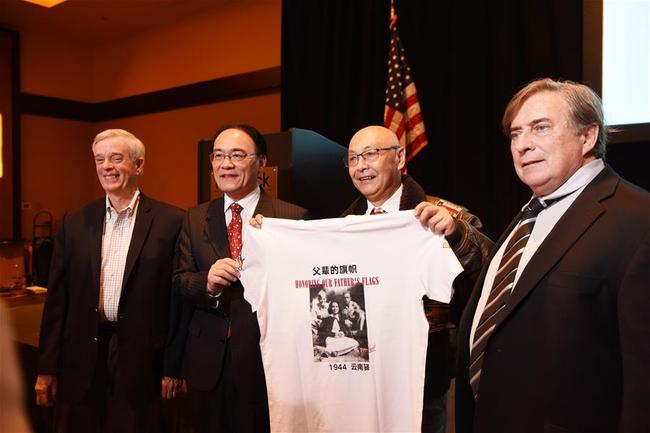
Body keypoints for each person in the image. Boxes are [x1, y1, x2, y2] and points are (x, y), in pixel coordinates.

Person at [455, 78, 650, 433]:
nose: (523, 145)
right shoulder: (526, 218)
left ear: (588, 136)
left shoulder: (639, 220)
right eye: (515, 134)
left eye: (540, 128)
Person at [341, 125, 493, 433]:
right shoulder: (342, 225)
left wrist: (457, 234)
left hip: (425, 375)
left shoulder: (443, 215)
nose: (361, 166)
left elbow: (489, 274)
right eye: (353, 158)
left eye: (370, 154)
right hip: (359, 375)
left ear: (398, 159)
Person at [35, 129, 185, 433]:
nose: (107, 166)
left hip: (142, 358)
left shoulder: (172, 221)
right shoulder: (74, 222)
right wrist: (47, 368)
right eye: (100, 159)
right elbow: (57, 301)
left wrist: (174, 366)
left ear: (139, 165)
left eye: (117, 158)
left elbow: (177, 303)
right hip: (81, 354)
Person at [173, 123, 308, 433]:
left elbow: (304, 293)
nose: (226, 164)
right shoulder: (194, 218)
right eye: (218, 155)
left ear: (261, 162)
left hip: (265, 362)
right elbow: (179, 281)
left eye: (237, 155)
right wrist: (206, 282)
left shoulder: (290, 217)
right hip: (207, 364)